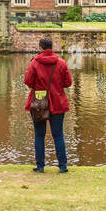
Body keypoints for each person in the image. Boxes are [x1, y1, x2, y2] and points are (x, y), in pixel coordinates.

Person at [23, 36, 73, 173]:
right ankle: (62, 166)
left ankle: (40, 166)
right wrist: (57, 86)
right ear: (52, 47)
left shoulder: (35, 63)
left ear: (41, 48)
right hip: (58, 102)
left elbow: (28, 81)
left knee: (39, 135)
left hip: (39, 103)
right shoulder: (61, 63)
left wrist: (39, 86)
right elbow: (68, 82)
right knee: (58, 135)